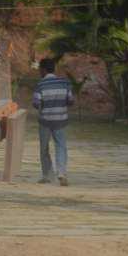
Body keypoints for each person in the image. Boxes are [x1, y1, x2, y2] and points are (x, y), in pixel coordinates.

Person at [30, 57, 77, 185]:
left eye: (40, 69)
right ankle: (61, 173)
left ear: (43, 70)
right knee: (61, 146)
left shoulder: (40, 85)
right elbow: (71, 100)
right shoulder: (64, 82)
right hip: (60, 120)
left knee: (44, 148)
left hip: (45, 121)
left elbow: (36, 103)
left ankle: (47, 175)